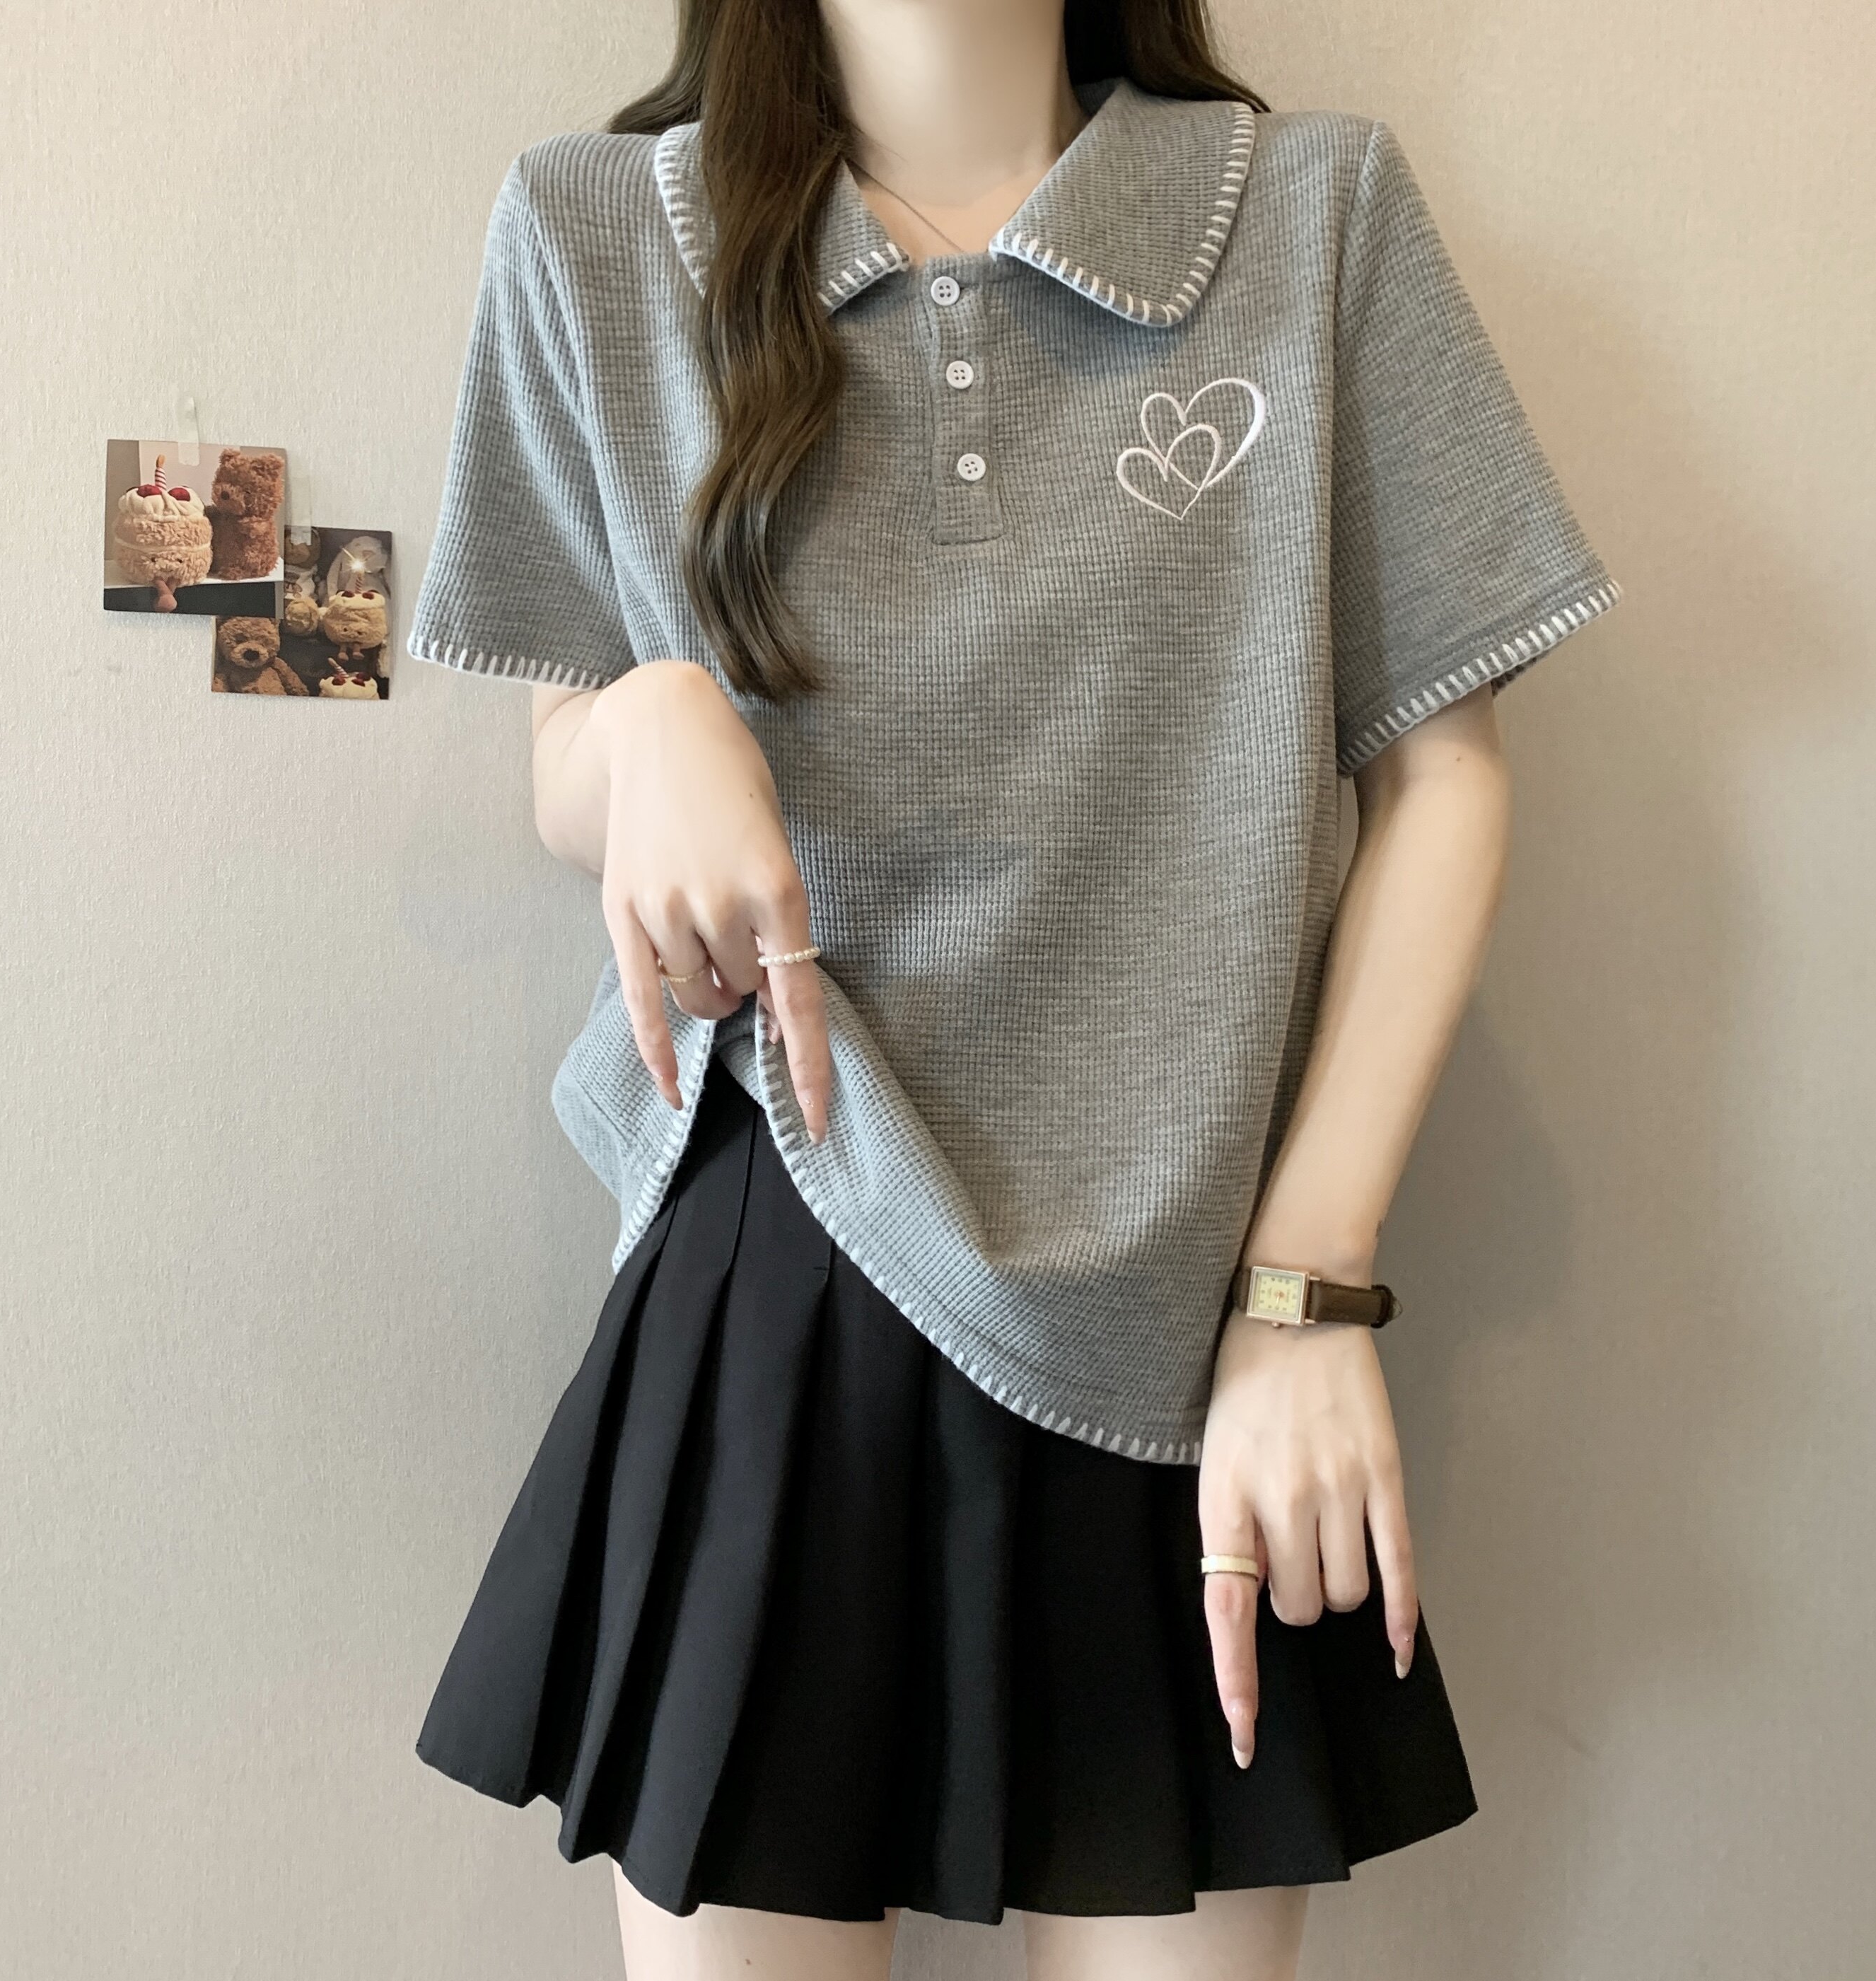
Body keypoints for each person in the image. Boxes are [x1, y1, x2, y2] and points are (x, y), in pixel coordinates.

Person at [404, 1, 1622, 1975]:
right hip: (787, 1253)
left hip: (1199, 1313)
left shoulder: (1313, 216)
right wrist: (645, 718)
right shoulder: (591, 233)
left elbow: (1443, 770)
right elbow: (563, 761)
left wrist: (1308, 1291)